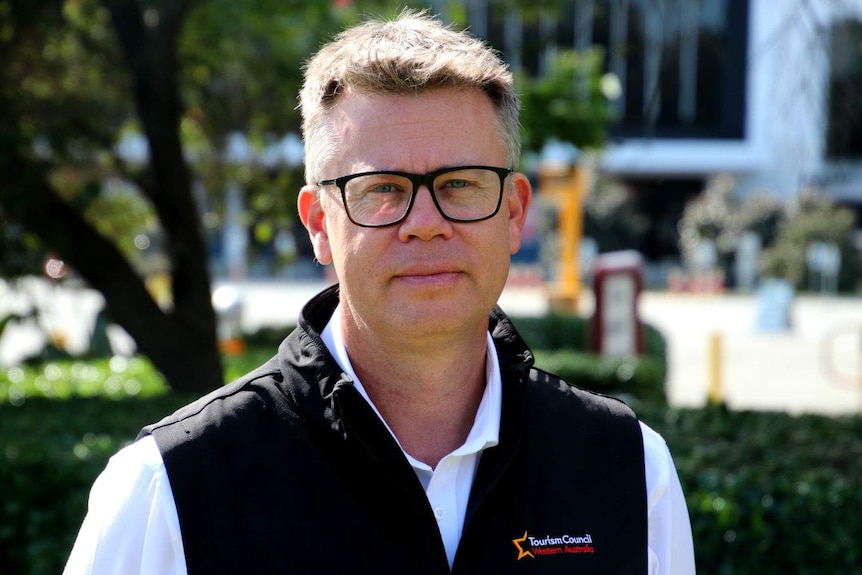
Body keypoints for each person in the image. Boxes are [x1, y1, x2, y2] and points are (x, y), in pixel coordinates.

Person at [64, 10, 695, 575]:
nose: (426, 221)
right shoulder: (169, 488)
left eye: (462, 184)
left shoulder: (632, 471)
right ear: (318, 224)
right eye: (383, 188)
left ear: (513, 212)